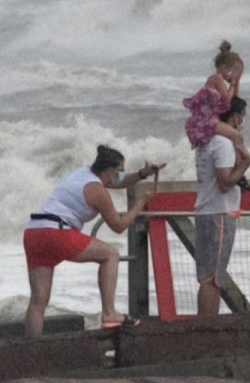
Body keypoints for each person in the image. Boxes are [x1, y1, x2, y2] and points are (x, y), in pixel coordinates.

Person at [24, 145, 166, 338]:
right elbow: (119, 225)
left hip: (34, 232)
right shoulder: (98, 191)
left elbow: (120, 182)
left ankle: (30, 351)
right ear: (108, 171)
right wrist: (140, 202)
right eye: (120, 170)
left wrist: (143, 173)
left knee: (38, 301)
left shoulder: (84, 173)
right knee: (110, 254)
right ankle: (109, 312)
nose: (121, 175)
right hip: (56, 232)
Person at [194, 96, 250, 316]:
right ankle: (208, 327)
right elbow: (225, 182)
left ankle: (204, 325)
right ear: (234, 116)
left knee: (207, 276)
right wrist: (246, 165)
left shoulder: (205, 140)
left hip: (206, 210)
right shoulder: (223, 143)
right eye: (241, 116)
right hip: (219, 213)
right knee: (213, 278)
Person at [183, 40, 249, 161]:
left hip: (211, 119)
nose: (232, 76)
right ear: (224, 68)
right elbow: (227, 100)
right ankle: (240, 164)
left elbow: (235, 101)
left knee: (236, 135)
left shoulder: (215, 79)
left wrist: (236, 82)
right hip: (209, 121)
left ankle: (237, 163)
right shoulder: (217, 78)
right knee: (238, 137)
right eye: (232, 72)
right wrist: (233, 84)